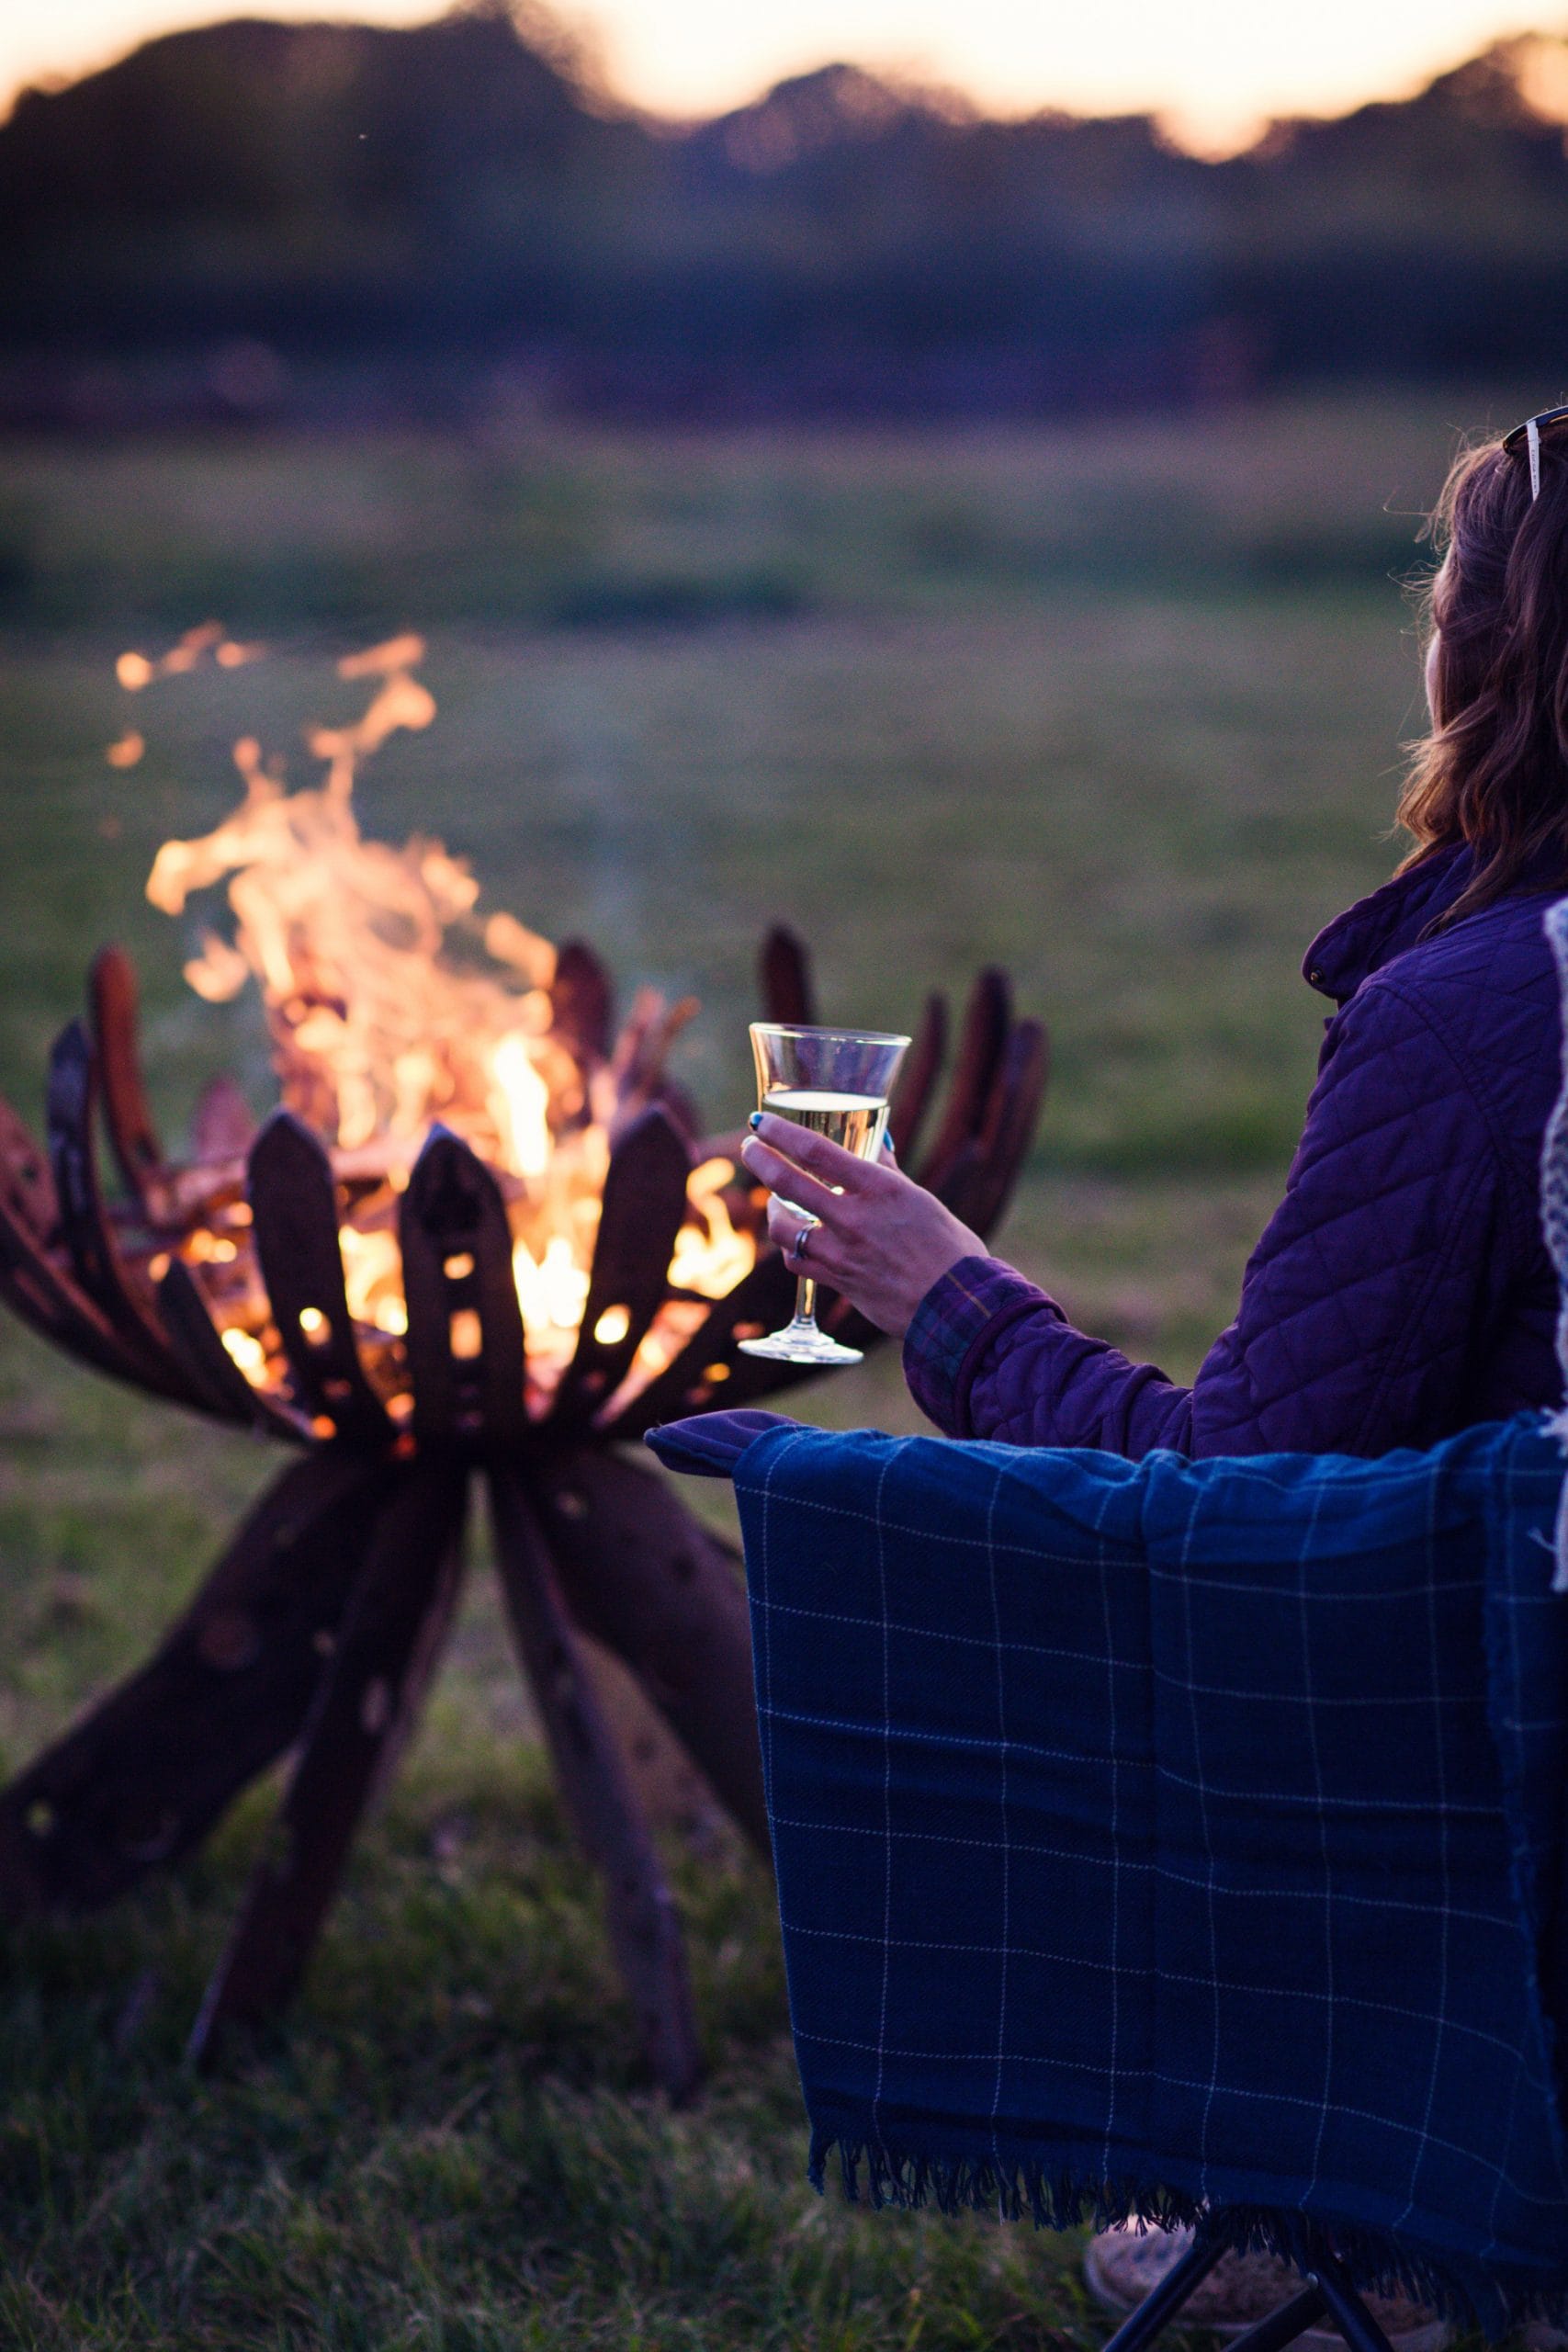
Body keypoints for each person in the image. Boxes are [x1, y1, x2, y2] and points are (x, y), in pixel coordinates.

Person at [739, 406, 1568, 2340]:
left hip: (1510, 1768)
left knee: (940, 1559)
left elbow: (1226, 1504)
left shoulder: (1473, 1013)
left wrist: (948, 1301)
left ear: (1493, 648)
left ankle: (1362, 2199)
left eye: (1442, 589)